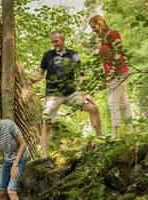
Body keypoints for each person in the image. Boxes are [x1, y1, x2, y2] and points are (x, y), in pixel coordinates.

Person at [30, 31, 102, 169]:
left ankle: (101, 139)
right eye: (52, 42)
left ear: (63, 40)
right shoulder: (47, 55)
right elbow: (40, 73)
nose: (54, 44)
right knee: (47, 125)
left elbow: (80, 76)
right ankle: (45, 157)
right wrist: (34, 80)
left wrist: (85, 93)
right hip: (53, 95)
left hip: (71, 93)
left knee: (93, 108)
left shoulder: (74, 55)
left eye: (56, 41)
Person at [89, 15, 133, 136]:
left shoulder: (113, 34)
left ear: (101, 23)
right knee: (124, 103)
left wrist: (112, 72)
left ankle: (116, 134)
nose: (93, 30)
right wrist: (106, 76)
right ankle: (130, 132)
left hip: (119, 72)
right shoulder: (104, 39)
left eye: (94, 27)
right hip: (112, 74)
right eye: (92, 28)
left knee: (112, 102)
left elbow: (119, 54)